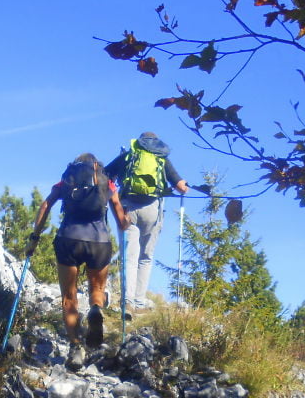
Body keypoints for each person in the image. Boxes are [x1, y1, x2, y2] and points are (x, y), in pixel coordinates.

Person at [25, 152, 129, 369]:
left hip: (68, 239)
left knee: (69, 297)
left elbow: (46, 205)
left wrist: (35, 237)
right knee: (97, 289)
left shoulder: (66, 180)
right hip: (99, 242)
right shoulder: (106, 182)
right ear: (96, 166)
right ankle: (96, 308)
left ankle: (75, 347)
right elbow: (121, 221)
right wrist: (126, 219)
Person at [105, 132, 188, 316]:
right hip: (152, 210)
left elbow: (105, 175)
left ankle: (127, 302)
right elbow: (181, 186)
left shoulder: (129, 155)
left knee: (129, 256)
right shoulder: (161, 158)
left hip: (127, 209)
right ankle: (139, 302)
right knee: (145, 257)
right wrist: (183, 186)